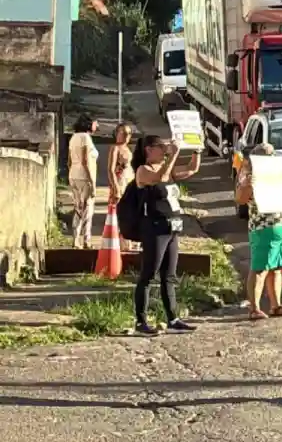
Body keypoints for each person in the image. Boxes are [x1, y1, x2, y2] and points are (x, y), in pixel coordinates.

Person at [131, 135, 201, 335]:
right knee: (148, 274)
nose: (164, 150)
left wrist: (197, 148)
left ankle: (173, 318)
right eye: (160, 147)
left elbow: (192, 168)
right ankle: (141, 322)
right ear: (148, 150)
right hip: (154, 228)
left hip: (172, 227)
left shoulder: (167, 171)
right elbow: (159, 177)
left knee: (169, 276)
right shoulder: (143, 171)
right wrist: (174, 153)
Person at [234, 143, 282, 320]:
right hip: (264, 227)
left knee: (276, 268)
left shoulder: (281, 174)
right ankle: (254, 308)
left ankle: (276, 305)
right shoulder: (250, 176)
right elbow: (240, 198)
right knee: (260, 268)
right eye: (266, 156)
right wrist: (247, 184)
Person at [68, 114, 100, 248]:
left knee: (78, 208)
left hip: (73, 175)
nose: (97, 125)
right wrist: (92, 182)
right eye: (95, 123)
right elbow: (85, 160)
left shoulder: (73, 138)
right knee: (87, 208)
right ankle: (86, 240)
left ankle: (75, 239)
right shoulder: (85, 138)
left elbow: (69, 161)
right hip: (84, 176)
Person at [107, 122, 136, 251]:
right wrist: (116, 187)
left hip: (129, 181)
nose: (126, 136)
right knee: (120, 214)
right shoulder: (115, 148)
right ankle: (120, 243)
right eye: (123, 133)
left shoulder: (128, 149)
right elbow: (110, 169)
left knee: (130, 213)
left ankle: (127, 242)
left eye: (129, 133)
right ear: (117, 133)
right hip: (120, 182)